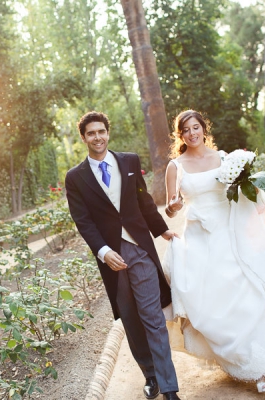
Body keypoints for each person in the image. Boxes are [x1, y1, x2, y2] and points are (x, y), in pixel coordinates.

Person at [163, 110, 265, 393]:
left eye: (196, 127)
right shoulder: (176, 167)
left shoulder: (223, 159)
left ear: (204, 129)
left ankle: (260, 367)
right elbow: (171, 206)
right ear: (179, 135)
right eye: (186, 130)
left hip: (229, 231)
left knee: (245, 291)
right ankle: (235, 358)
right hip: (199, 236)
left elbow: (238, 191)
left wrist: (255, 204)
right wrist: (174, 206)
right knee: (213, 302)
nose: (192, 133)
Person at [65, 111, 181, 400]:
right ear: (83, 138)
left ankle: (169, 389)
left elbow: (143, 201)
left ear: (108, 132)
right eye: (91, 133)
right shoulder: (75, 178)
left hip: (140, 249)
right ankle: (150, 375)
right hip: (112, 258)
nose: (97, 137)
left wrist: (162, 230)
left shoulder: (129, 161)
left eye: (101, 131)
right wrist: (104, 253)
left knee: (152, 317)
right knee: (131, 319)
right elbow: (83, 221)